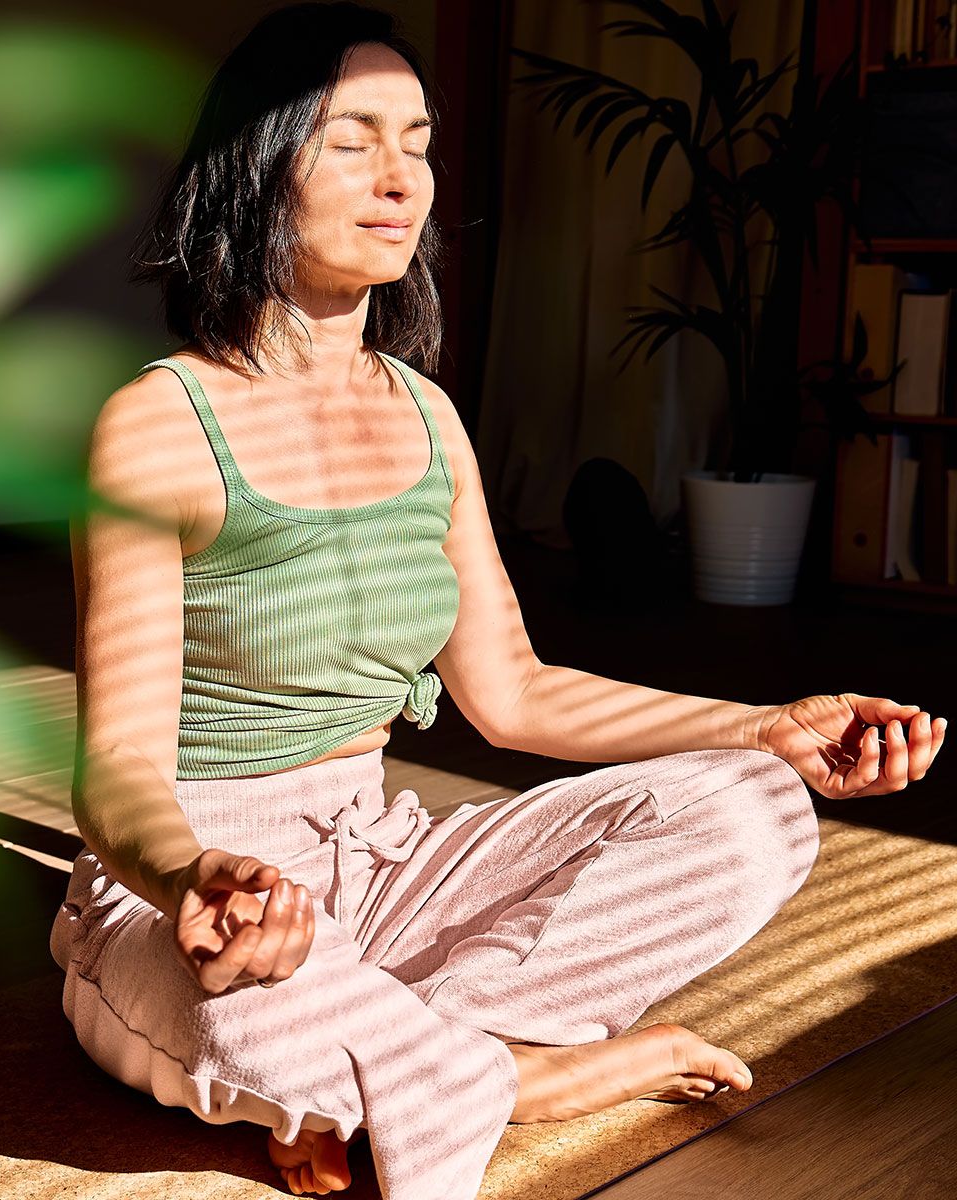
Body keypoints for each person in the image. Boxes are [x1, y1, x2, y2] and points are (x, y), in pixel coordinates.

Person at [49, 4, 947, 1198]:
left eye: (416, 141)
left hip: (379, 859)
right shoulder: (158, 425)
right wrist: (193, 882)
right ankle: (517, 1075)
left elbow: (514, 693)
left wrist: (762, 728)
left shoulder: (429, 418)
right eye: (351, 137)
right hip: (203, 890)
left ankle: (420, 1065)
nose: (400, 178)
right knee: (248, 1018)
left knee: (759, 811)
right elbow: (114, 768)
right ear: (257, 166)